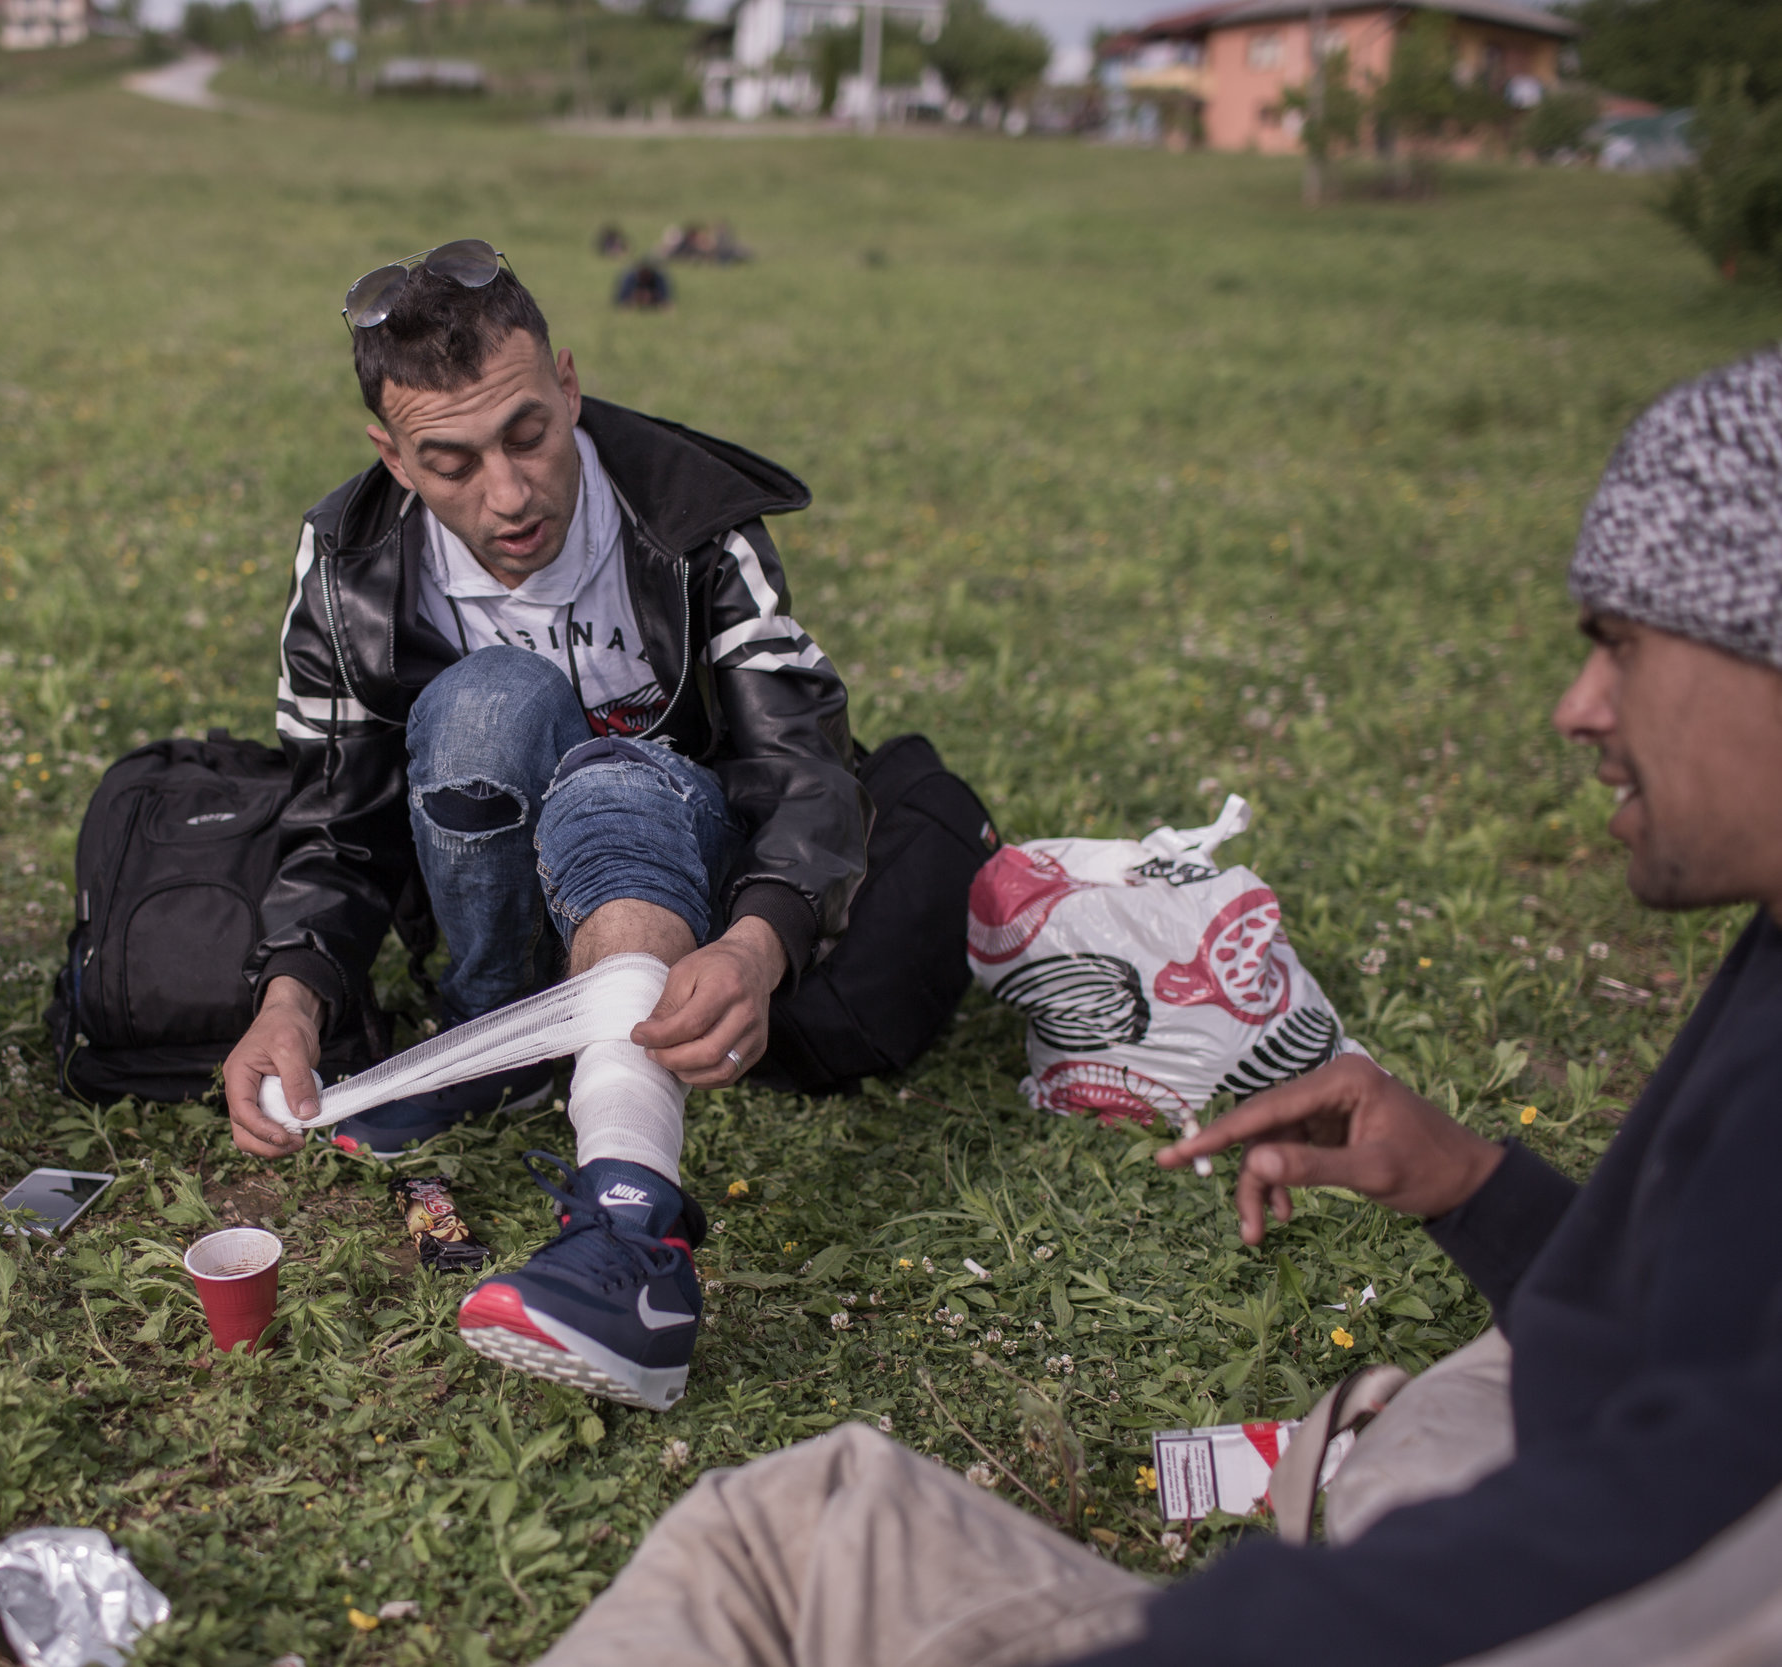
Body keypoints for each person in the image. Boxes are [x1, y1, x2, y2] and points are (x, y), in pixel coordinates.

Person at [533, 349, 1782, 1666]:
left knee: (778, 1546)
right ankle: (1356, 1462)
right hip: (1523, 1468)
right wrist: (1475, 1187)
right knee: (798, 1522)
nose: (1578, 707)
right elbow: (1684, 1347)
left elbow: (1680, 1529)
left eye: (1624, 647)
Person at [221, 239, 865, 1412]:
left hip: (677, 851)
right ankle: (498, 1042)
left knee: (613, 778)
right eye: (450, 461)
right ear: (393, 457)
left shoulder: (688, 514)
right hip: (486, 904)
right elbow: (332, 815)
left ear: (568, 385)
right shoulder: (349, 558)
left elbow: (801, 759)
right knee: (487, 704)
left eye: (527, 433)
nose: (507, 494)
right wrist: (289, 996)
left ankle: (632, 1243)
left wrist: (760, 940)